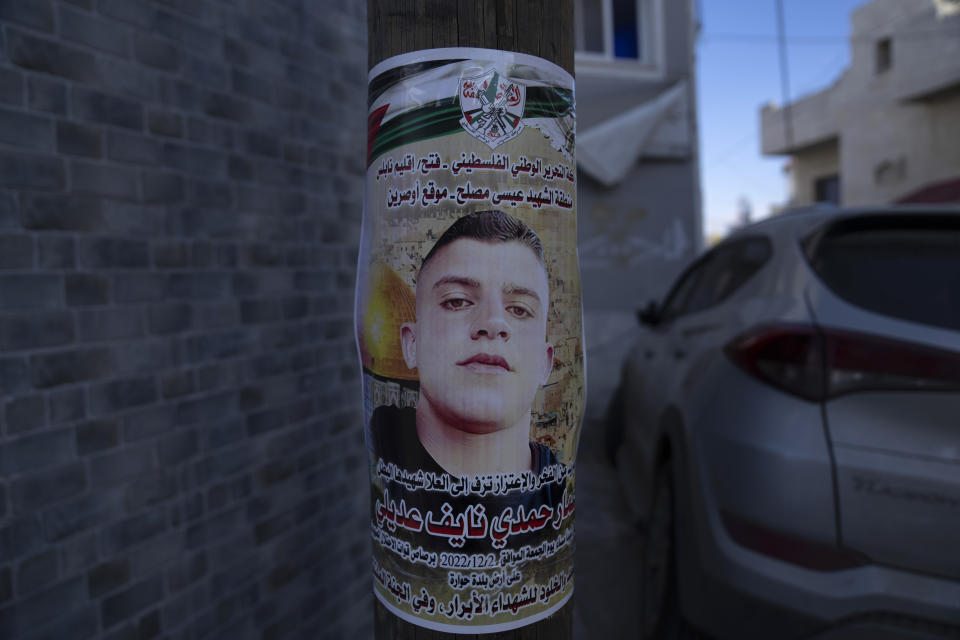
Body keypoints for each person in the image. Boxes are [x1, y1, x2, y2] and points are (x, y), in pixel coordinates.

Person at [370, 210, 558, 478]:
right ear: (412, 344)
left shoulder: (560, 496)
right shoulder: (374, 458)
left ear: (545, 361)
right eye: (456, 301)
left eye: (519, 309)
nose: (493, 323)